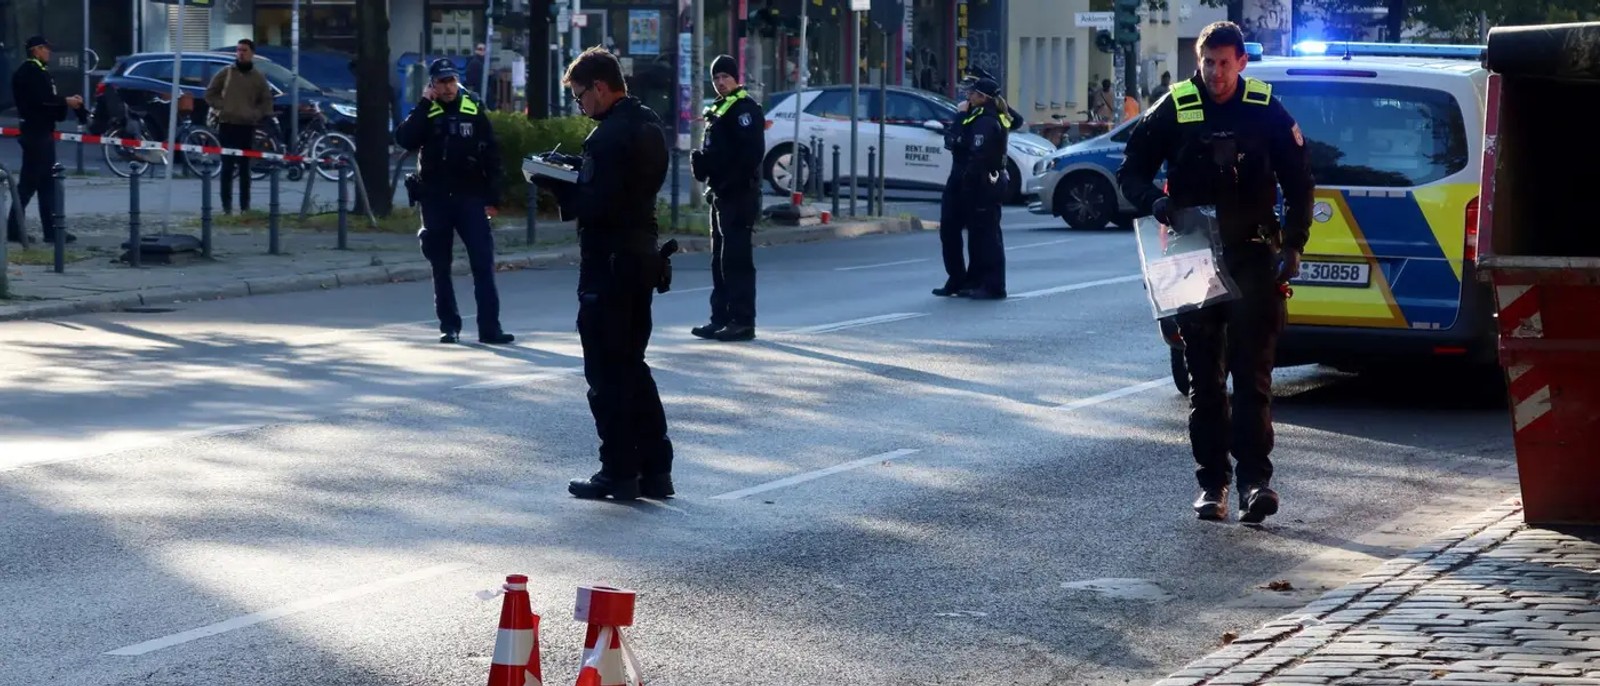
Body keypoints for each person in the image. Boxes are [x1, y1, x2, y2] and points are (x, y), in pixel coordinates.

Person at [1116, 21, 1314, 524]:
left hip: (1252, 255)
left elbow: (1299, 182)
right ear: (1198, 62)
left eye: (1225, 63)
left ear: (1241, 63)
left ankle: (1255, 483)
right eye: (1208, 63)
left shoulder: (1264, 108)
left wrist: (1294, 243)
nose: (1216, 73)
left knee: (1252, 377)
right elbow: (1131, 172)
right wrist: (1156, 203)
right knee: (1205, 381)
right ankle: (1212, 485)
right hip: (1191, 254)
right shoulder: (1176, 106)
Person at [546, 47, 675, 501]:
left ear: (600, 87)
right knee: (633, 366)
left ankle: (618, 471)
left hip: (608, 265)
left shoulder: (606, 138)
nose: (580, 105)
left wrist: (556, 183)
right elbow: (627, 190)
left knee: (605, 372)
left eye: (580, 96)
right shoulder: (648, 123)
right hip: (642, 258)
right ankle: (655, 470)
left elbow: (596, 205)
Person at [394, 58, 514, 346]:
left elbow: (492, 155)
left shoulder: (472, 109)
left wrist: (493, 197)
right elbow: (405, 139)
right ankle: (449, 326)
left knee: (482, 263)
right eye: (442, 82)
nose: (448, 87)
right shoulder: (427, 111)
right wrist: (424, 104)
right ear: (432, 85)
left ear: (457, 81)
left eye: (451, 81)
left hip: (470, 197)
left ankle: (490, 328)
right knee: (440, 265)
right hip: (435, 199)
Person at [689, 54, 764, 342]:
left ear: (736, 78)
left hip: (738, 194)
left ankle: (742, 321)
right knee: (719, 260)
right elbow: (720, 152)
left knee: (736, 260)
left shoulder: (744, 109)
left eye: (725, 77)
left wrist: (726, 180)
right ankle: (720, 318)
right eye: (716, 78)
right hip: (720, 193)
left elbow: (749, 156)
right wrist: (703, 165)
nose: (720, 82)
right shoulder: (721, 108)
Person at [932, 76, 1009, 300]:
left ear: (982, 97)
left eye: (973, 93)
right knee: (953, 230)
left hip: (980, 181)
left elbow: (967, 148)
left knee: (985, 234)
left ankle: (992, 284)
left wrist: (960, 119)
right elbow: (953, 140)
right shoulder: (974, 115)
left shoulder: (987, 120)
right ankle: (962, 280)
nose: (968, 96)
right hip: (963, 179)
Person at [6, 35, 82, 244]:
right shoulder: (31, 72)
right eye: (45, 48)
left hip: (41, 131)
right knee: (30, 183)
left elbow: (47, 100)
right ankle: (15, 229)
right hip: (36, 133)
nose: (49, 52)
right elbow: (42, 100)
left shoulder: (39, 71)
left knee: (46, 183)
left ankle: (50, 230)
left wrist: (63, 105)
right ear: (36, 50)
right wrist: (66, 101)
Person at [203, 39, 274, 215]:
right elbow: (210, 93)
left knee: (244, 169)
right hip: (227, 124)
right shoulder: (227, 72)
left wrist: (256, 114)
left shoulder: (258, 77)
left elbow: (266, 100)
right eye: (239, 50)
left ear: (252, 53)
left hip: (247, 126)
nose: (241, 53)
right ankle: (226, 207)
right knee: (227, 168)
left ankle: (245, 207)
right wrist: (223, 106)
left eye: (244, 50)